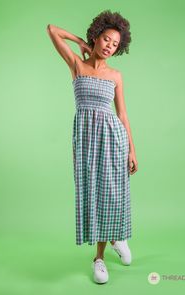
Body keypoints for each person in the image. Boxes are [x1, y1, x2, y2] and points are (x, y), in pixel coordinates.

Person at [47, 9, 138, 284]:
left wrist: (132, 149)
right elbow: (52, 29)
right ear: (96, 37)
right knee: (93, 193)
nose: (110, 46)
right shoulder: (77, 64)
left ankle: (105, 250)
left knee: (111, 191)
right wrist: (79, 42)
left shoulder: (116, 75)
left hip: (113, 139)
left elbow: (122, 115)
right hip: (86, 139)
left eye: (115, 44)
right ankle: (107, 246)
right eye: (106, 39)